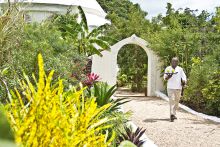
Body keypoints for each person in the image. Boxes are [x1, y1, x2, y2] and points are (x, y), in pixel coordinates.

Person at [164, 57, 187, 122]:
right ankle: (171, 115)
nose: (174, 63)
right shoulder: (168, 68)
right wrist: (169, 76)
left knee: (176, 102)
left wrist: (184, 82)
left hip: (178, 88)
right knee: (171, 101)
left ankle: (174, 113)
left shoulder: (180, 69)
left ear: (177, 62)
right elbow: (165, 78)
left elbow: (184, 77)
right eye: (173, 61)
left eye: (176, 62)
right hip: (170, 88)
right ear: (171, 62)